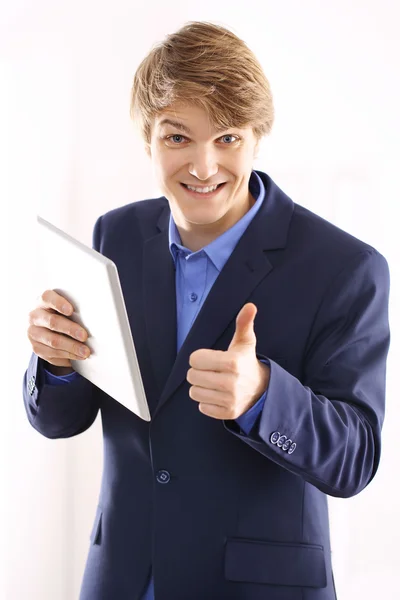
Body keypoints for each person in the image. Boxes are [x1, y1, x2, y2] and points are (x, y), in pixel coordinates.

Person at [23, 21, 391, 600]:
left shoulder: (346, 268)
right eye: (177, 138)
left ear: (256, 136)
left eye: (226, 139)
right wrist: (58, 362)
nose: (202, 166)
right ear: (147, 137)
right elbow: (60, 419)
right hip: (123, 579)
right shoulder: (114, 234)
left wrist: (264, 397)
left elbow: (356, 460)